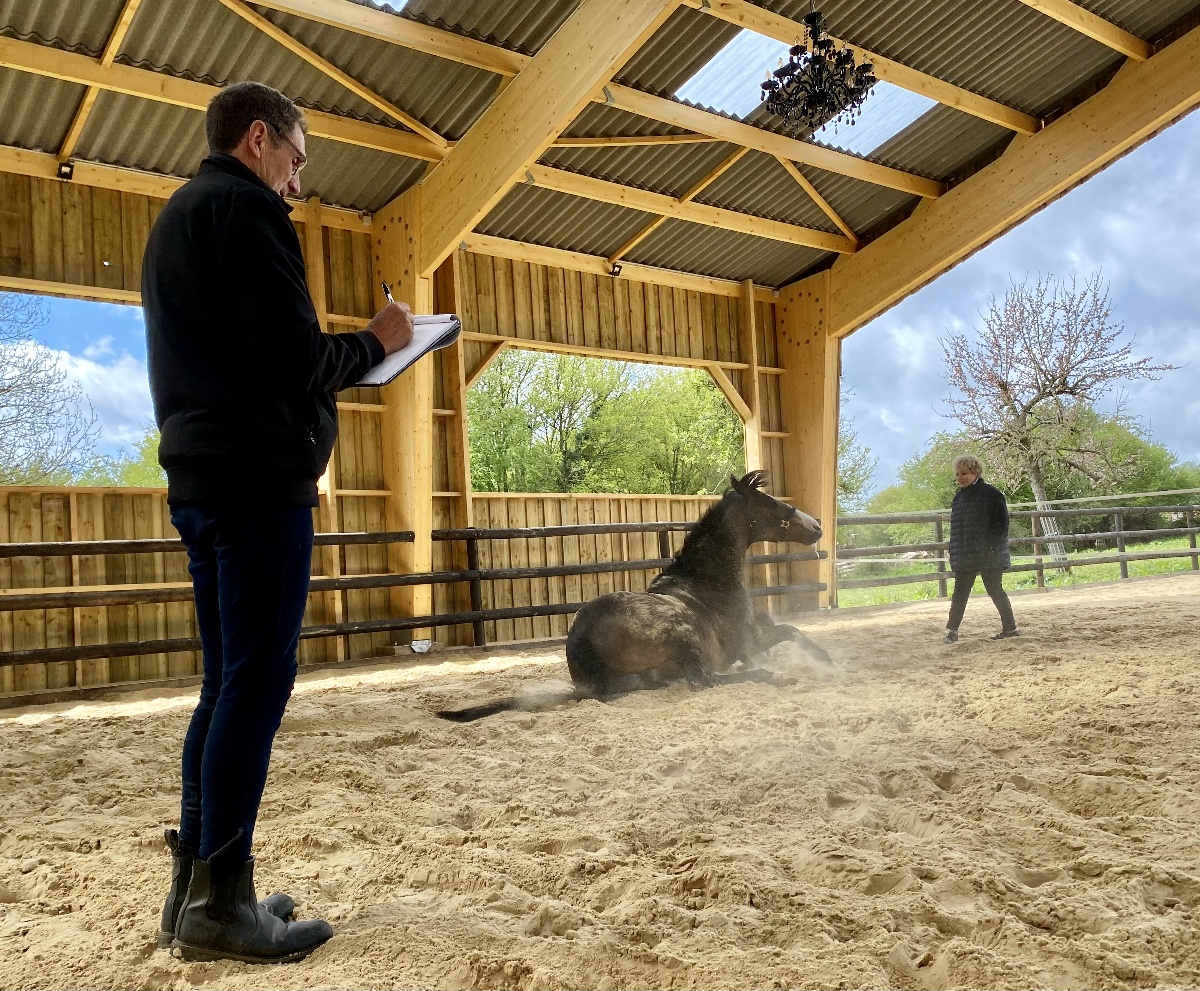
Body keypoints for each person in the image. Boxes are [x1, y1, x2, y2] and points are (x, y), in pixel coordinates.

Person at [142, 81, 413, 964]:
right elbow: (295, 359)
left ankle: (195, 887)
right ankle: (224, 902)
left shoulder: (176, 219)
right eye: (296, 160)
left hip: (199, 477)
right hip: (257, 485)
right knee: (256, 687)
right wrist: (378, 341)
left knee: (223, 685)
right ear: (259, 139)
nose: (296, 182)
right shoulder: (248, 213)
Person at [943, 455, 1019, 644]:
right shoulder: (958, 498)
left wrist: (991, 546)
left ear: (975, 472)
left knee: (995, 590)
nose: (960, 477)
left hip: (988, 553)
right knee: (960, 593)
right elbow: (957, 529)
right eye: (958, 474)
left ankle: (1010, 628)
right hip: (965, 553)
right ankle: (952, 631)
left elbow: (1001, 523)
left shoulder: (991, 494)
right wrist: (954, 550)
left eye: (964, 473)